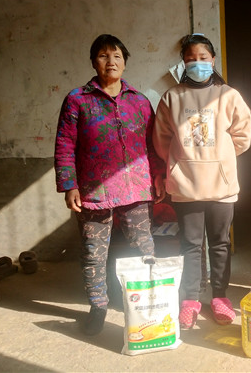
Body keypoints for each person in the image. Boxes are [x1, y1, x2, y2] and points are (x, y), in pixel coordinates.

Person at [54, 34, 165, 336]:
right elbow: (65, 144)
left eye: (116, 56)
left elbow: (153, 144)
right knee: (94, 253)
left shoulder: (139, 101)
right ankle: (98, 306)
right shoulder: (78, 100)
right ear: (94, 62)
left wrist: (158, 175)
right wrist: (69, 184)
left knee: (144, 248)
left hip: (136, 188)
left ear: (125, 62)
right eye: (103, 56)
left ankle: (151, 302)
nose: (111, 61)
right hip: (93, 191)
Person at [153, 33, 251, 329]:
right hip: (186, 186)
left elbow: (243, 135)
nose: (198, 63)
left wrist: (220, 156)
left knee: (220, 243)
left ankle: (220, 297)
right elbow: (161, 140)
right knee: (190, 244)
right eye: (191, 59)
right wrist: (180, 163)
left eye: (203, 58)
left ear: (213, 60)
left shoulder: (228, 95)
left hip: (222, 186)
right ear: (183, 63)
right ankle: (191, 299)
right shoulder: (172, 97)